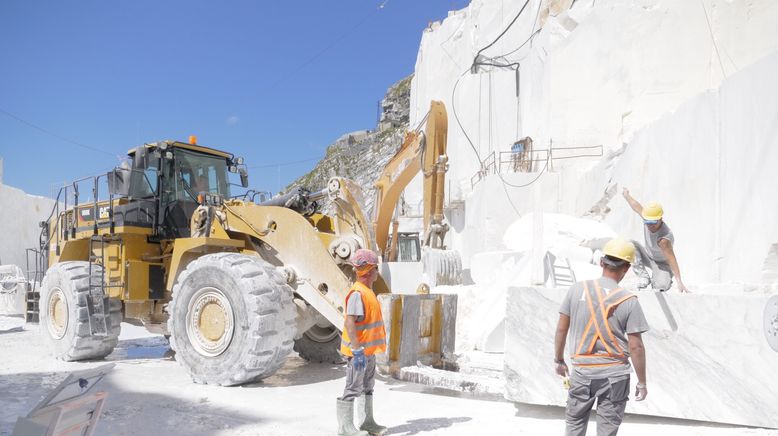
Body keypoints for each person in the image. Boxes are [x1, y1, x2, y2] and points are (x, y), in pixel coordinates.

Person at [554, 238, 649, 436]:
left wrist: (559, 360)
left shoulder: (576, 290)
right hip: (615, 375)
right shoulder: (629, 301)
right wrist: (642, 382)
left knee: (574, 424)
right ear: (626, 268)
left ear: (601, 263)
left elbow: (562, 329)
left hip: (582, 373)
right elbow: (636, 347)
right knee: (607, 430)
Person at [336, 249, 387, 436]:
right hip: (358, 353)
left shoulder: (367, 291)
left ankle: (367, 423)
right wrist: (356, 350)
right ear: (368, 271)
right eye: (375, 269)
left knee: (367, 386)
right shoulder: (358, 293)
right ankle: (345, 428)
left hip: (368, 351)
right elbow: (350, 322)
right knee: (352, 387)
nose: (377, 273)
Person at [622, 188, 689, 293]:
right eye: (647, 221)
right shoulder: (647, 217)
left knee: (660, 286)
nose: (650, 225)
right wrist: (626, 195)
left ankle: (662, 277)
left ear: (660, 219)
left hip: (662, 264)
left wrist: (679, 282)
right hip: (649, 256)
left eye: (653, 222)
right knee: (629, 244)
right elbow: (635, 205)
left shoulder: (664, 239)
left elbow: (672, 259)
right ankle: (643, 277)